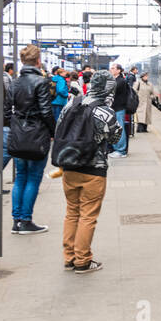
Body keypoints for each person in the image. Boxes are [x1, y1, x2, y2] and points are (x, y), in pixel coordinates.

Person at [56, 71, 122, 273]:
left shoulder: (71, 103)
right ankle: (83, 260)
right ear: (109, 89)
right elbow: (114, 138)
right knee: (88, 216)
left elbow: (59, 127)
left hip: (69, 166)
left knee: (72, 212)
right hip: (94, 169)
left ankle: (69, 258)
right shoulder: (104, 111)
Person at [4, 44, 55, 234]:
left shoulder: (14, 82)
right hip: (37, 136)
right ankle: (26, 220)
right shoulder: (41, 82)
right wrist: (53, 131)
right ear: (38, 61)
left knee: (20, 178)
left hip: (18, 136)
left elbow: (6, 112)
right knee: (33, 178)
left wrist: (17, 127)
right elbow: (45, 111)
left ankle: (16, 221)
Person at [108, 62, 131, 158]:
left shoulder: (120, 81)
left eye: (113, 68)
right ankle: (117, 148)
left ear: (118, 70)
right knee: (115, 129)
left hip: (118, 109)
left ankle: (121, 150)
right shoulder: (116, 80)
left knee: (119, 130)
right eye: (111, 68)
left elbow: (110, 91)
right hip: (115, 109)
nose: (111, 70)